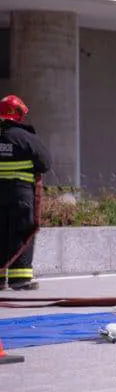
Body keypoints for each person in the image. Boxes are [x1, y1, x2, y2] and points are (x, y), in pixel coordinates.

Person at [0, 95, 51, 291]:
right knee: (21, 232)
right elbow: (45, 164)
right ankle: (19, 279)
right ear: (18, 114)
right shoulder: (26, 138)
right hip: (20, 194)